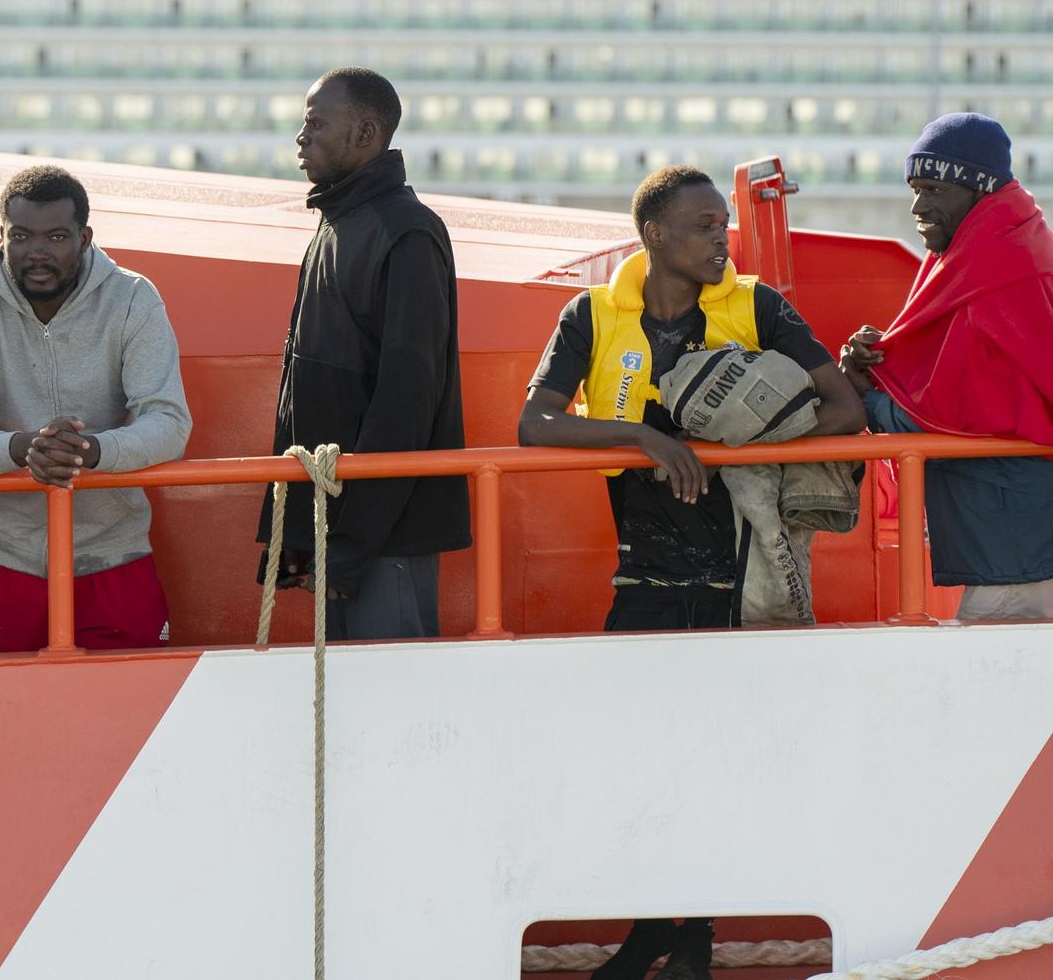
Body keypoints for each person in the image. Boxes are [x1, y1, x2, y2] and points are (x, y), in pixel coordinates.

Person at [518, 164, 863, 980]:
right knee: (634, 758)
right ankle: (649, 932)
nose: (722, 238)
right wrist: (642, 437)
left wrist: (740, 432)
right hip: (641, 570)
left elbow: (844, 410)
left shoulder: (757, 308)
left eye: (724, 225)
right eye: (705, 225)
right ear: (654, 236)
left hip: (738, 571)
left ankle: (696, 938)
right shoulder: (592, 314)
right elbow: (534, 423)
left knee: (715, 755)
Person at [0, 165, 191, 653]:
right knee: (10, 718)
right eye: (21, 236)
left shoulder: (133, 296)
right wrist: (23, 448)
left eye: (56, 236)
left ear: (85, 237)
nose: (37, 253)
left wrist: (89, 451)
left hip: (115, 554)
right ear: (1, 234)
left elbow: (169, 422)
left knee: (130, 711)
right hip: (9, 558)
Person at [258, 67, 470, 640]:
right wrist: (305, 538)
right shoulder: (336, 224)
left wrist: (349, 545)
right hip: (341, 535)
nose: (301, 138)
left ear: (366, 132)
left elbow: (408, 398)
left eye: (315, 123)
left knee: (392, 711)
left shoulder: (406, 232)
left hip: (383, 540)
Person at [840, 112, 1053, 621]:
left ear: (978, 191)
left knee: (1002, 683)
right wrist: (876, 367)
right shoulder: (1002, 243)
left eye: (934, 189)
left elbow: (965, 409)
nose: (918, 206)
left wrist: (865, 396)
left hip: (1012, 543)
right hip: (1011, 530)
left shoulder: (1000, 266)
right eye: (915, 188)